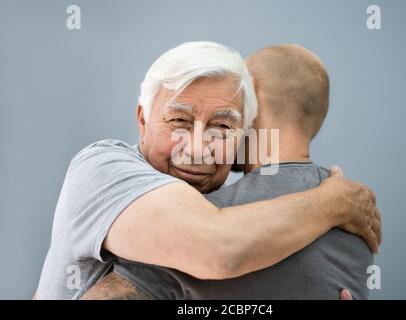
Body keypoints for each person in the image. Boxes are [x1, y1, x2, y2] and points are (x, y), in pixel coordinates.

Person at [35, 41, 380, 300]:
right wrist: (334, 202)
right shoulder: (103, 168)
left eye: (222, 127)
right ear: (142, 119)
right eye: (179, 121)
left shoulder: (235, 206)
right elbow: (218, 248)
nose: (198, 147)